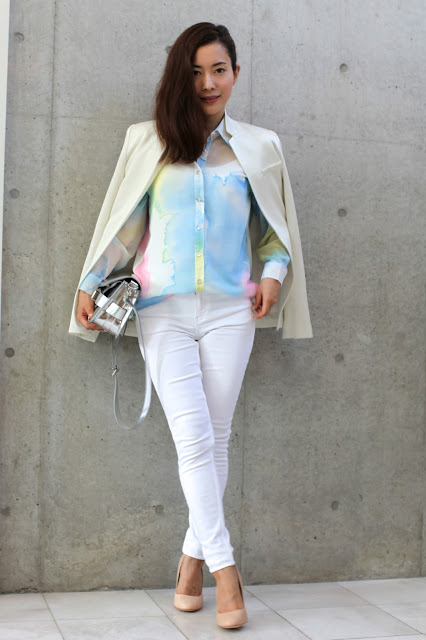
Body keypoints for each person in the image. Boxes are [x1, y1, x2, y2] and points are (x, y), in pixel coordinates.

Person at [70, 22, 312, 630]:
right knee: (195, 438)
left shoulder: (260, 146)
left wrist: (274, 276)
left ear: (236, 73)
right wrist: (90, 280)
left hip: (233, 312)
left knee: (216, 437)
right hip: (163, 311)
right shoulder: (148, 140)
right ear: (180, 75)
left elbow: (273, 231)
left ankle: (189, 562)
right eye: (196, 71)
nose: (208, 83)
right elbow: (127, 225)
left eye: (219, 70)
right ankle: (226, 572)